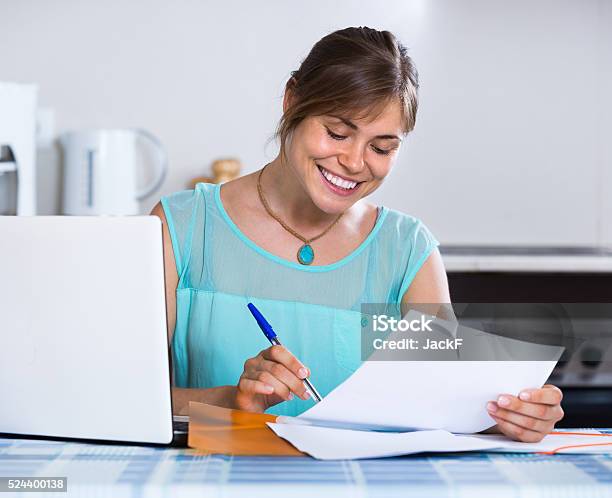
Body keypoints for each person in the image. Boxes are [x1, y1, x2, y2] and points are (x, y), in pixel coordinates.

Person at [151, 26, 563, 442]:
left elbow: (445, 405)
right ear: (292, 101)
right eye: (337, 133)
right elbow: (123, 394)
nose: (353, 161)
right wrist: (232, 402)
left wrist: (510, 415)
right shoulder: (182, 226)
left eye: (382, 148)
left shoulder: (407, 251)